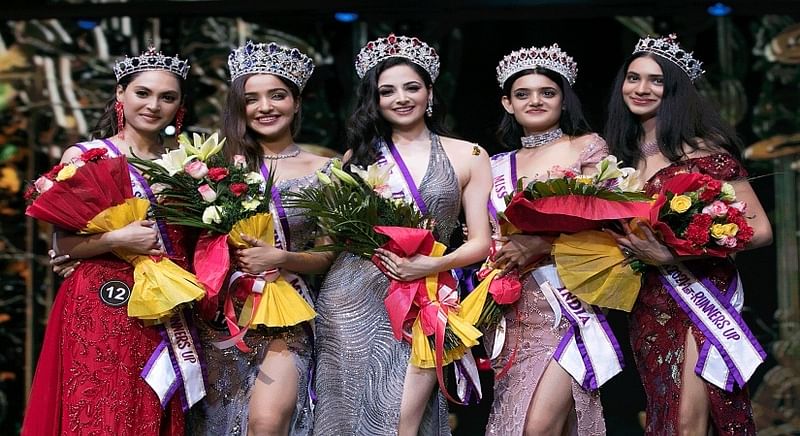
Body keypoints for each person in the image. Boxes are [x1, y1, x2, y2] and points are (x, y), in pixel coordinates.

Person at [312, 33, 492, 436]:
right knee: (347, 419)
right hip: (350, 298)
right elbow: (338, 239)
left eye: (412, 87)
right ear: (374, 101)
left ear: (430, 92)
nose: (401, 98)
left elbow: (480, 242)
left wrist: (435, 263)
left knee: (401, 423)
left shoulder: (469, 154)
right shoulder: (355, 158)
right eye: (387, 91)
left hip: (424, 296)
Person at [604, 34, 773, 435]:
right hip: (647, 302)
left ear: (676, 90)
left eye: (656, 81)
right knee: (665, 411)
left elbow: (761, 230)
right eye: (633, 78)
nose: (641, 89)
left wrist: (675, 255)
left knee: (687, 420)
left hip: (699, 295)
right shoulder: (618, 160)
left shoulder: (702, 152)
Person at [22, 47, 193, 435]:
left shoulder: (187, 166)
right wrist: (118, 238)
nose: (154, 105)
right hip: (103, 302)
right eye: (142, 93)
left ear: (179, 105)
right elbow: (63, 247)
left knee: (153, 404)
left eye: (167, 97)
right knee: (101, 409)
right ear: (120, 94)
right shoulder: (88, 156)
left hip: (166, 308)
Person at [187, 41, 332, 436]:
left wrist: (282, 259)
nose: (265, 107)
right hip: (222, 315)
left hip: (288, 311)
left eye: (278, 95)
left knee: (266, 424)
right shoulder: (212, 169)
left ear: (297, 101)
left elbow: (333, 254)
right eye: (252, 99)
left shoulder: (327, 169)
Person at [484, 43, 612, 436]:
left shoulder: (586, 147)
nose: (535, 101)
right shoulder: (493, 165)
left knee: (537, 427)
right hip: (512, 308)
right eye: (523, 94)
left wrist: (544, 245)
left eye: (547, 92)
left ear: (562, 99)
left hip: (568, 304)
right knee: (515, 424)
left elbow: (611, 229)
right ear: (508, 103)